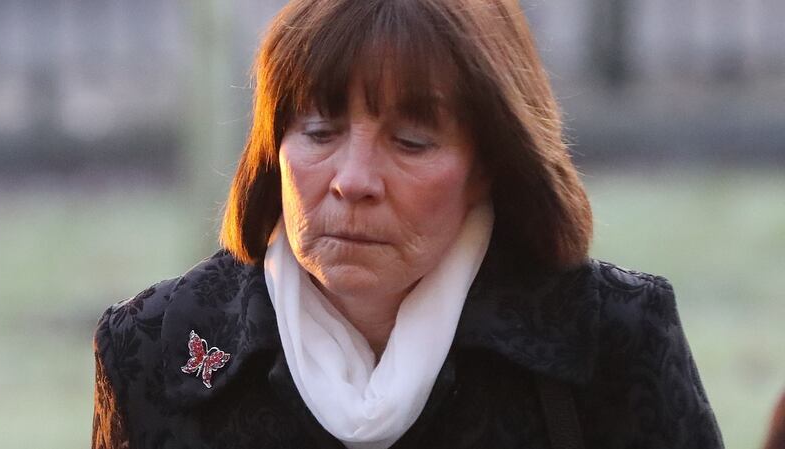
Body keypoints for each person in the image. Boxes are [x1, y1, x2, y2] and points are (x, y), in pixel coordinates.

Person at [91, 0, 724, 448]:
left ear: (490, 165)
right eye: (318, 131)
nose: (353, 179)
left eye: (413, 141)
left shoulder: (607, 340)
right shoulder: (159, 348)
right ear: (271, 147)